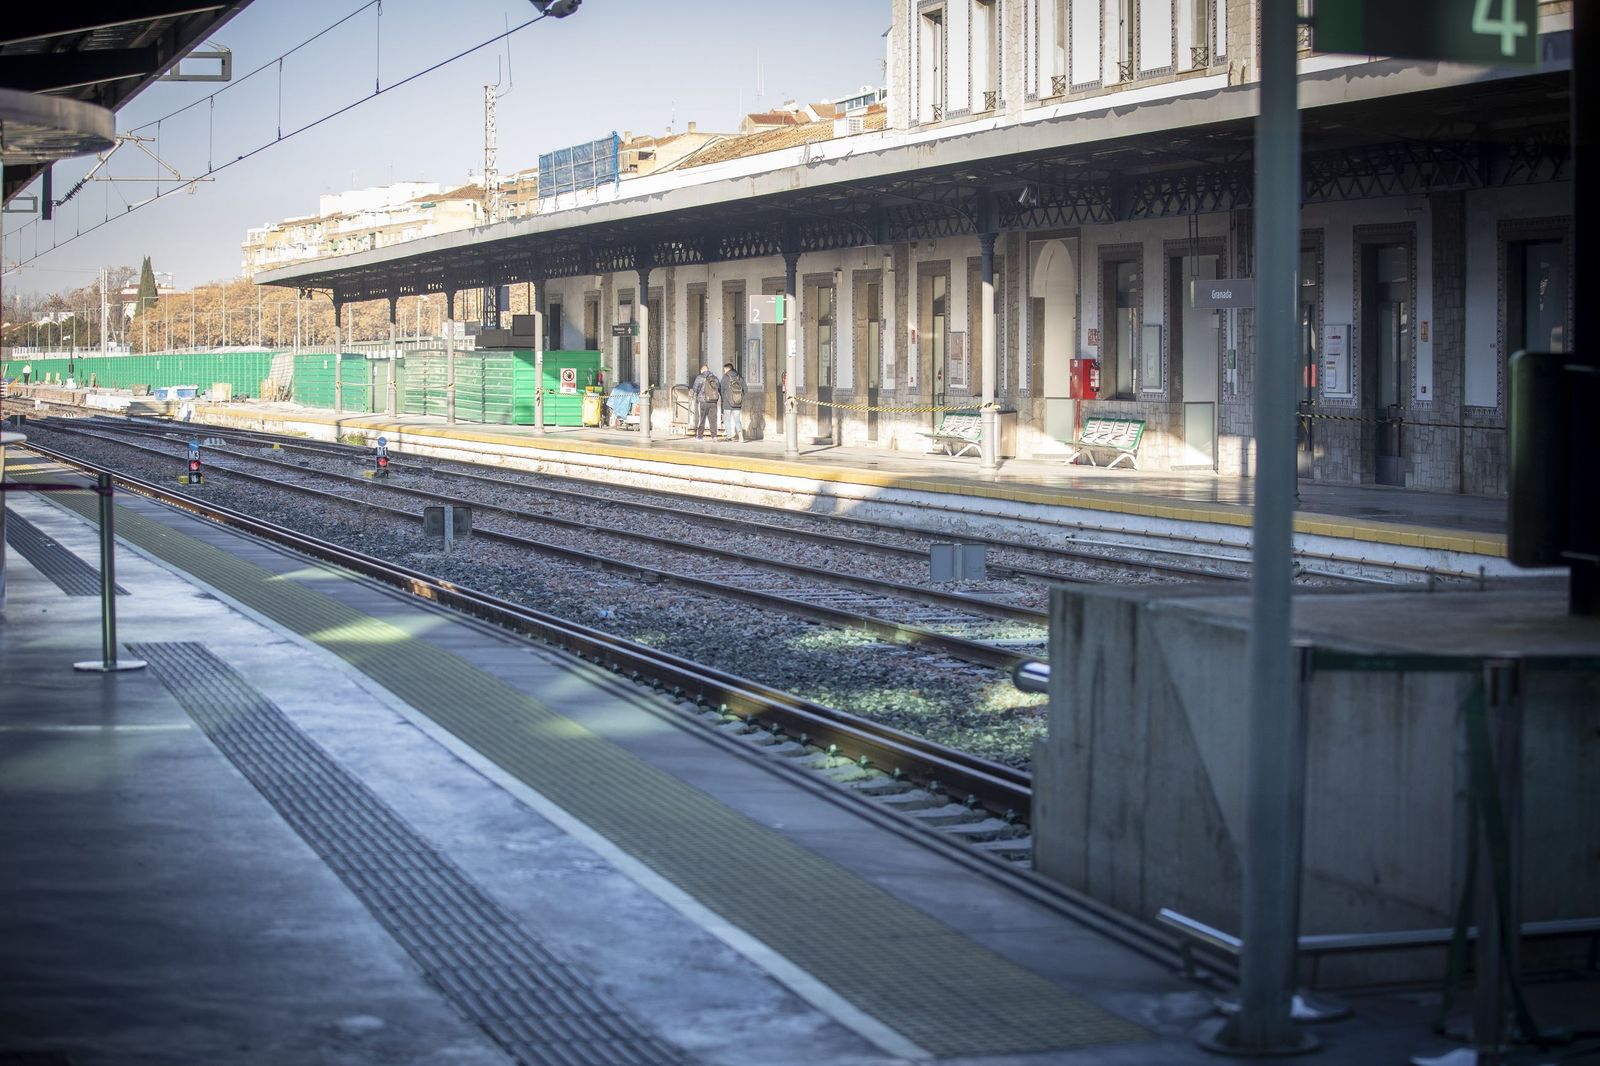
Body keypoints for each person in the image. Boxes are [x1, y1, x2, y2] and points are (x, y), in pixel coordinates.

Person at [691, 363, 720, 439]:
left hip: (703, 401)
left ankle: (700, 436)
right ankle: (714, 436)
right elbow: (718, 388)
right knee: (713, 420)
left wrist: (697, 395)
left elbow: (695, 388)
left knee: (702, 419)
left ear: (702, 370)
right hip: (713, 401)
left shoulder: (699, 377)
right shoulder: (715, 378)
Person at [720, 362, 745, 441]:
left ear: (727, 369)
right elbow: (745, 389)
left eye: (724, 369)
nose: (724, 371)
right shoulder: (739, 377)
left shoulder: (725, 377)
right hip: (737, 403)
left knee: (727, 419)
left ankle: (729, 436)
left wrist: (724, 398)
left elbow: (722, 389)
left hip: (727, 403)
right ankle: (741, 437)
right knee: (737, 420)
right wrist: (739, 397)